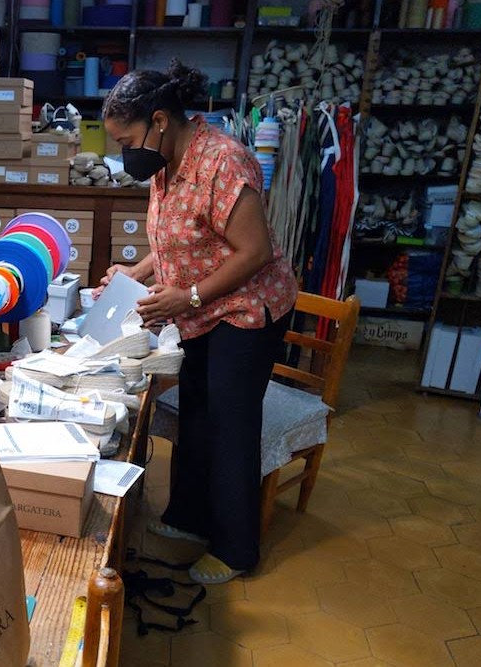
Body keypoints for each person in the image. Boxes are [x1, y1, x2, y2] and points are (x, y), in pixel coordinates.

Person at [96, 61, 298, 584]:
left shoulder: (223, 163)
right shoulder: (165, 163)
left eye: (127, 139)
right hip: (202, 309)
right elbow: (178, 240)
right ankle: (190, 518)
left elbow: (254, 252)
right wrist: (133, 273)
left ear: (160, 120)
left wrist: (185, 297)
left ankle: (236, 551)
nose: (125, 153)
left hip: (247, 311)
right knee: (197, 414)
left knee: (230, 426)